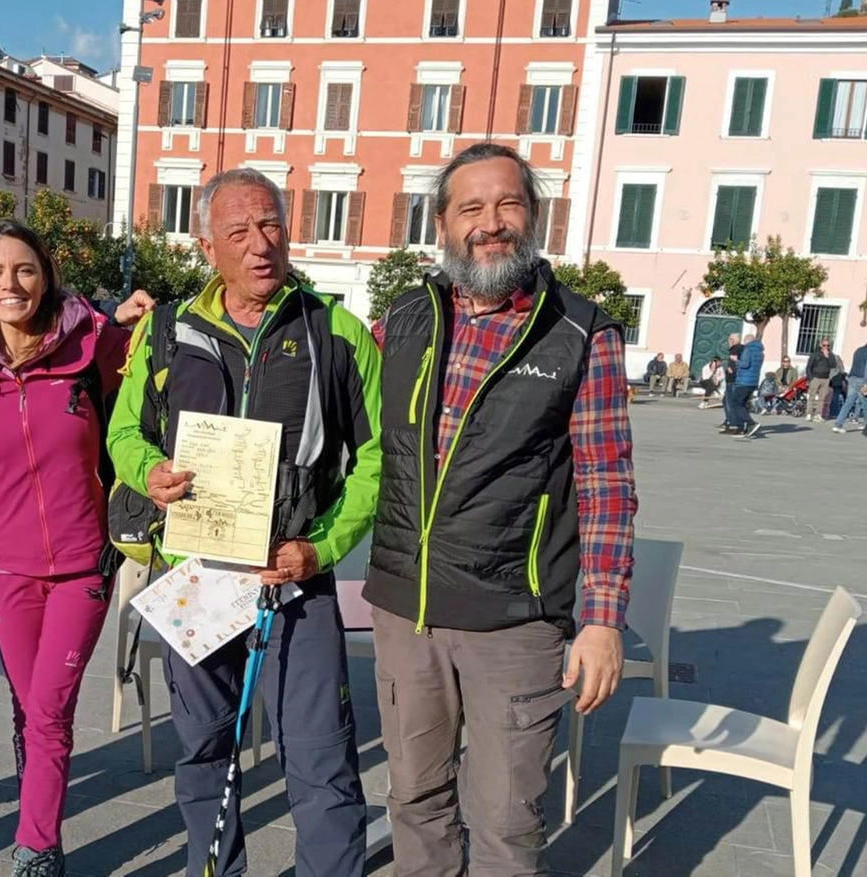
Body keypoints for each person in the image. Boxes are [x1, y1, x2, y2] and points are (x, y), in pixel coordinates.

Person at [364, 143, 636, 877]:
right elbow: (351, 437)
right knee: (414, 800)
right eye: (472, 209)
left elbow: (606, 481)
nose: (492, 223)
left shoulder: (582, 333)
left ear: (534, 216)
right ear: (443, 225)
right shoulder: (404, 319)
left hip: (514, 623)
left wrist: (603, 616)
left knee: (506, 822)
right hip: (404, 609)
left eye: (508, 204)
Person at [107, 167, 381, 877]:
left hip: (293, 576)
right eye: (238, 232)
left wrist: (321, 547)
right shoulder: (167, 331)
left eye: (271, 225)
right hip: (193, 573)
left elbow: (381, 457)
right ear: (209, 247)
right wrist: (149, 474)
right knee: (203, 747)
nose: (261, 244)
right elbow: (124, 434)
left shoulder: (337, 333)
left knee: (320, 754)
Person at [0, 221, 148, 877]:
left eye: (23, 269)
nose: (10, 284)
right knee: (30, 712)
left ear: (46, 274)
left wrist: (138, 317)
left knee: (50, 710)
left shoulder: (93, 346)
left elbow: (150, 397)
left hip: (82, 566)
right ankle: (40, 824)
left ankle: (36, 849)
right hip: (6, 569)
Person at [834, 337, 867, 434]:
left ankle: (838, 425)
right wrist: (866, 383)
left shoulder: (858, 350)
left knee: (848, 402)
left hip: (852, 378)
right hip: (862, 379)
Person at [729, 333, 764, 439]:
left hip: (744, 381)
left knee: (736, 402)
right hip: (753, 381)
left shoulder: (748, 349)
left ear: (747, 341)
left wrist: (736, 361)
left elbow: (745, 364)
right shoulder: (760, 352)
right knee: (743, 404)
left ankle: (750, 423)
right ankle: (744, 428)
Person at [805, 338, 842, 422]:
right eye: (824, 345)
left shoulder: (831, 355)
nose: (826, 347)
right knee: (812, 396)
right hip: (816, 377)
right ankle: (809, 413)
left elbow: (833, 365)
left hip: (825, 379)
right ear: (821, 345)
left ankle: (818, 414)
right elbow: (808, 367)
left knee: (822, 398)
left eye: (828, 345)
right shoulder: (815, 354)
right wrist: (811, 378)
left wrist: (827, 356)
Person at [721, 332, 744, 430]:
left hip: (734, 379)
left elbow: (739, 362)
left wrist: (733, 369)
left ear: (734, 340)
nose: (729, 340)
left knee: (731, 401)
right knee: (726, 401)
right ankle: (729, 420)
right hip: (731, 378)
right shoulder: (735, 349)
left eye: (730, 339)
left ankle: (733, 422)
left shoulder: (738, 348)